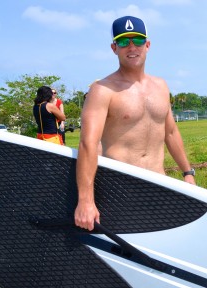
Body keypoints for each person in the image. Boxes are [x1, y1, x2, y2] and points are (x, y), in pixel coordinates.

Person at [75, 16, 195, 231]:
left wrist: (188, 172)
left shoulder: (161, 85)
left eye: (137, 41)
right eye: (123, 42)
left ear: (147, 45)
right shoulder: (102, 90)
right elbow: (88, 145)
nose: (132, 47)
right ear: (114, 48)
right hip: (121, 187)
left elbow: (170, 131)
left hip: (159, 184)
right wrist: (85, 201)